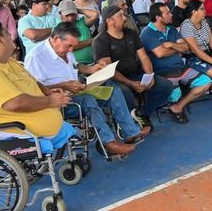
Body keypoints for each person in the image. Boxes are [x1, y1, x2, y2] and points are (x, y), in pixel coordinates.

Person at [24, 22, 146, 156]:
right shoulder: (36, 57)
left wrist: (92, 68)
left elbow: (75, 66)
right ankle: (109, 142)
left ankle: (130, 133)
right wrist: (64, 85)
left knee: (113, 90)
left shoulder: (65, 50)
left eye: (73, 46)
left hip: (77, 91)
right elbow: (34, 89)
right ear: (57, 39)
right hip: (59, 102)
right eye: (69, 46)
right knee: (88, 100)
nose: (71, 50)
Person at [0, 20, 75, 153]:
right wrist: (50, 101)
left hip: (34, 124)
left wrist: (47, 91)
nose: (11, 36)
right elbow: (15, 103)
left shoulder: (6, 61)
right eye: (7, 33)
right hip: (5, 130)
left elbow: (30, 80)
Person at [93, 5, 174, 127]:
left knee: (165, 86)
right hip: (114, 79)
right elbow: (108, 70)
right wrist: (130, 83)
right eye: (120, 16)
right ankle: (125, 122)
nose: (125, 18)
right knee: (125, 92)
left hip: (136, 74)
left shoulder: (131, 33)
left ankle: (142, 113)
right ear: (110, 21)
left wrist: (149, 75)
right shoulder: (100, 41)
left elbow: (144, 57)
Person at [140, 2, 212, 124]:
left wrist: (171, 45)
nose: (171, 14)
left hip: (181, 67)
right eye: (167, 13)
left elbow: (185, 48)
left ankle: (178, 106)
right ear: (158, 17)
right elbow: (160, 53)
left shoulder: (172, 29)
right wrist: (176, 48)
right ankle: (176, 105)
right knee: (175, 95)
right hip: (164, 72)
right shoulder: (147, 33)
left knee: (206, 83)